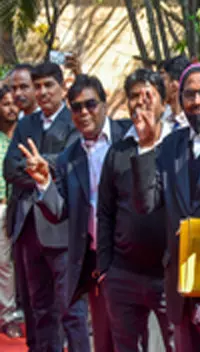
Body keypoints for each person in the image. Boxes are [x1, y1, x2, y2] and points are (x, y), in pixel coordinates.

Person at [131, 63, 200, 351]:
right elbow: (148, 205)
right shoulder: (170, 146)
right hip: (181, 284)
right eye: (189, 94)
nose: (197, 102)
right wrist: (145, 145)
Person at [19, 74, 131, 352]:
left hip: (133, 258)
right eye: (76, 107)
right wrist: (44, 182)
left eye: (90, 104)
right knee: (104, 339)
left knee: (136, 337)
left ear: (104, 105)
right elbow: (61, 212)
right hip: (96, 261)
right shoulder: (70, 157)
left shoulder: (128, 136)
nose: (83, 113)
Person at [5, 62, 88, 351]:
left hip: (63, 229)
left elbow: (72, 167)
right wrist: (44, 169)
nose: (42, 92)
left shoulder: (76, 120)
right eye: (37, 86)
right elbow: (9, 169)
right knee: (39, 309)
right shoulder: (26, 123)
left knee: (71, 310)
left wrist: (44, 167)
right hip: (28, 229)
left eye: (48, 85)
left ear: (62, 87)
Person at [97, 68, 174, 352]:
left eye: (148, 95)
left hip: (166, 277)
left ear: (164, 104)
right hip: (122, 275)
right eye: (133, 96)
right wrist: (105, 268)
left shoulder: (177, 148)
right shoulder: (118, 152)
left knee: (177, 344)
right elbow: (104, 210)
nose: (140, 102)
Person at [0, 86, 22, 338]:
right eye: (5, 103)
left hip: (24, 205)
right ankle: (7, 316)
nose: (11, 108)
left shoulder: (25, 133)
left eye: (14, 103)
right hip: (2, 205)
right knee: (4, 264)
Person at [160, 55, 190, 129]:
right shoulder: (162, 122)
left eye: (163, 79)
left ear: (174, 85)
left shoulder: (192, 125)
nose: (158, 85)